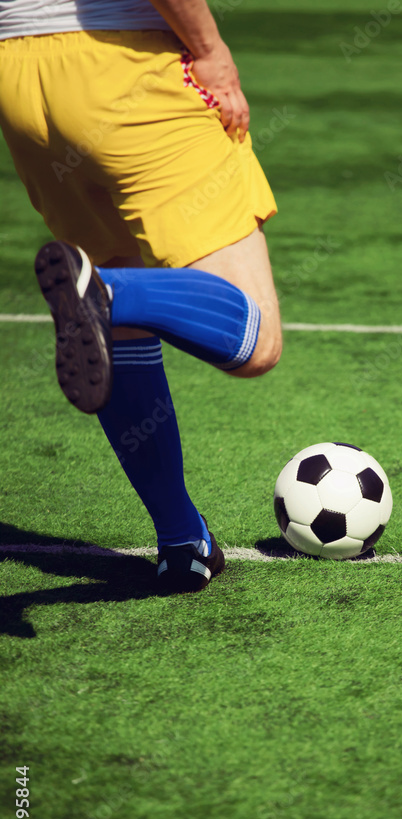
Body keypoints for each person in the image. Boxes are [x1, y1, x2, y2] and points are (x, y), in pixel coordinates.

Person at [0, 0, 283, 593]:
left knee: (116, 322)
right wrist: (209, 51)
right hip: (124, 66)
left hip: (18, 78)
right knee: (255, 333)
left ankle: (183, 542)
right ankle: (104, 292)